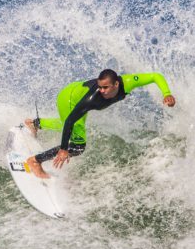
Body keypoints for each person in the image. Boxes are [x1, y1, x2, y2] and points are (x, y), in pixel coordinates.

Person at [24, 69, 176, 178]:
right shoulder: (92, 99)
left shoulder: (128, 82)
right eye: (100, 86)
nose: (102, 90)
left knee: (68, 123)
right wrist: (63, 149)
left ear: (116, 84)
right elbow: (70, 120)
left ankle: (36, 124)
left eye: (105, 87)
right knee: (77, 146)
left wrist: (167, 93)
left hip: (73, 92)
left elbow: (155, 76)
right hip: (69, 99)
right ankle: (35, 161)